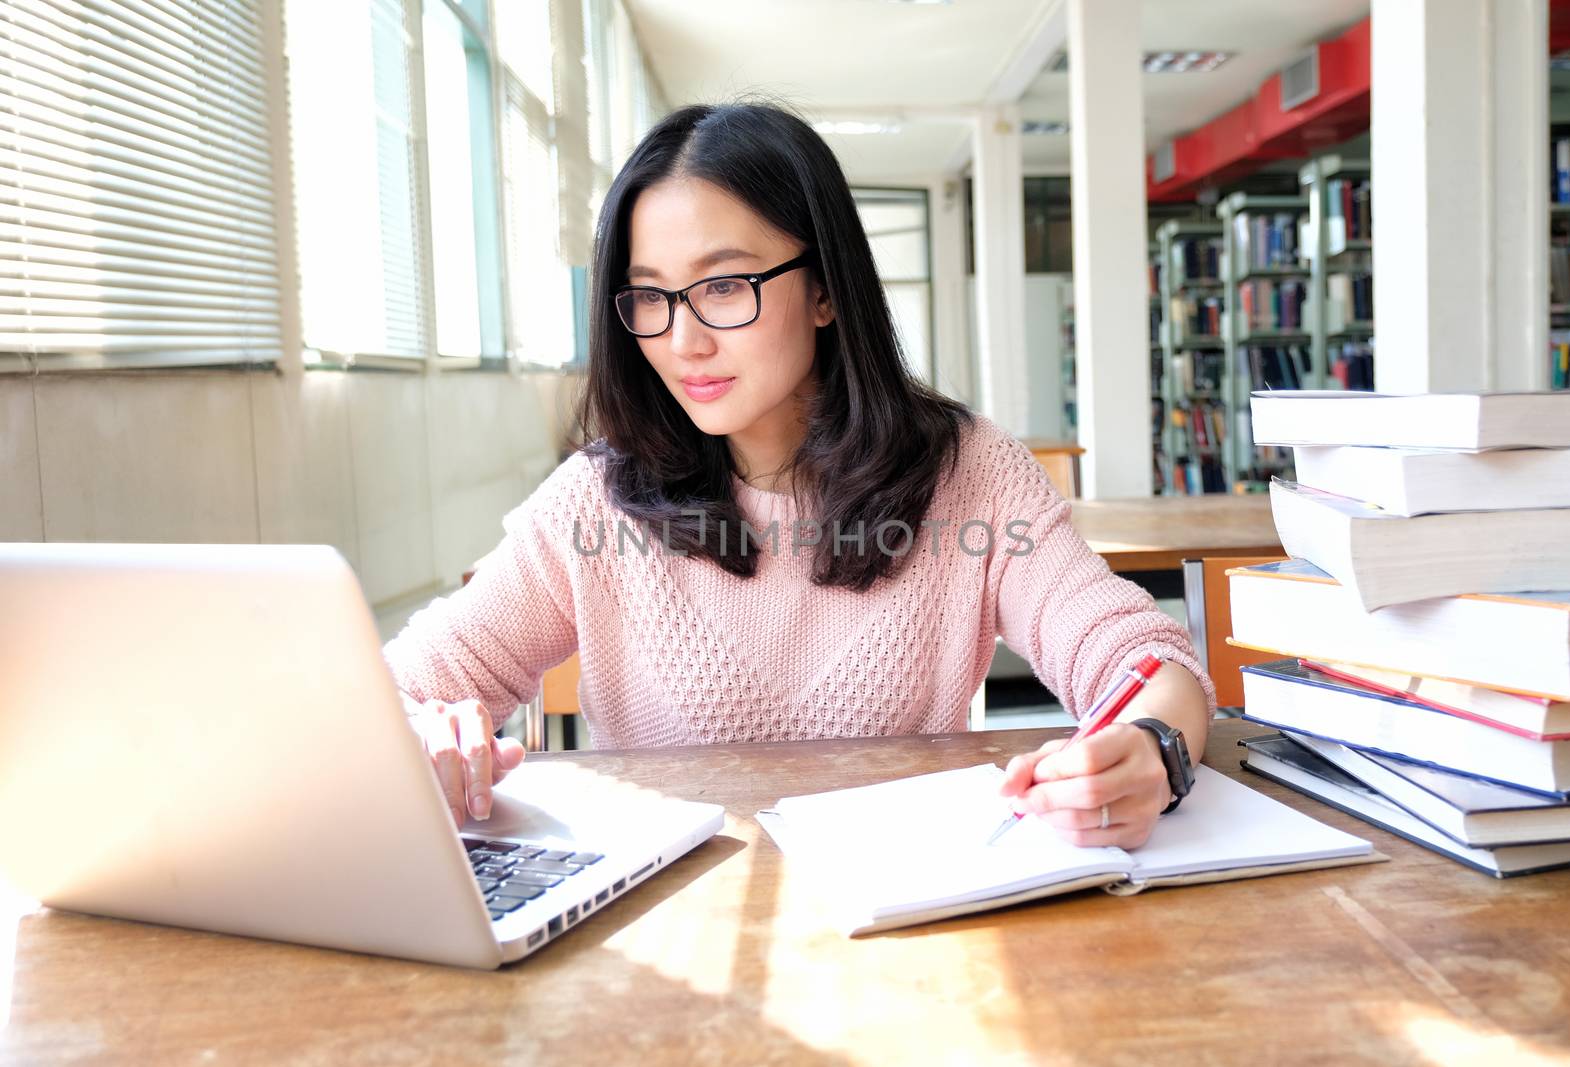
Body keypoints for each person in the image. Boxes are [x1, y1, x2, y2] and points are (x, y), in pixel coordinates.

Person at [383, 101, 1216, 846]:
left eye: (723, 285)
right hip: (673, 950)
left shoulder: (968, 474)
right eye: (650, 297)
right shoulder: (595, 503)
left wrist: (1151, 750)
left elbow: (1143, 655)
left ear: (823, 289)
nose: (683, 342)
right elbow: (394, 693)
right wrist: (426, 732)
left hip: (916, 927)